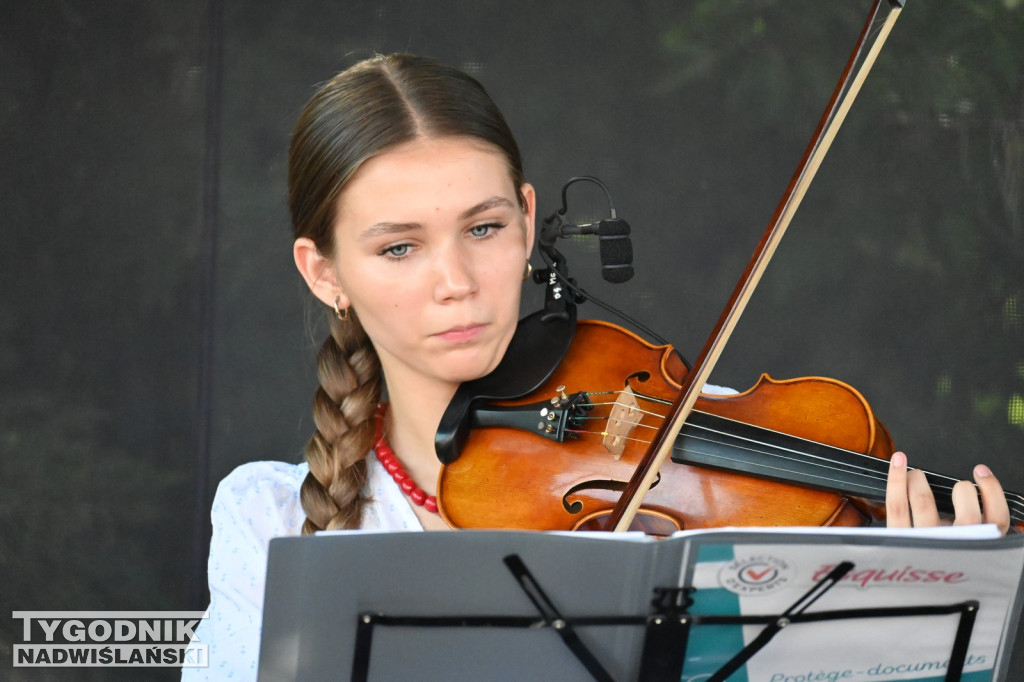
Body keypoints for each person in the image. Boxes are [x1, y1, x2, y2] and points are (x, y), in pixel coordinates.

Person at [183, 53, 1011, 681]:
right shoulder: (274, 522)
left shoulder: (689, 434)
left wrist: (898, 605)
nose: (457, 284)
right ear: (324, 273)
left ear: (530, 218)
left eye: (484, 228)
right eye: (399, 247)